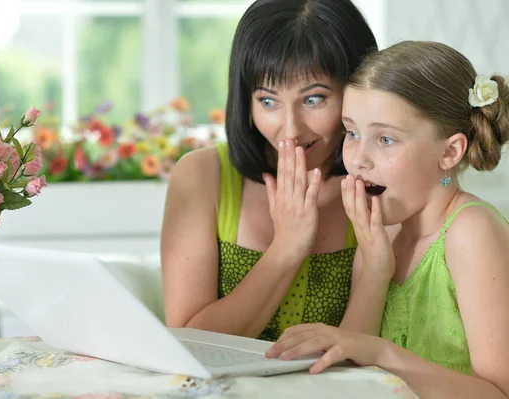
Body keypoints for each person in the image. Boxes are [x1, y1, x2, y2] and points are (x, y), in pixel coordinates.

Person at [266, 41, 509, 398]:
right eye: (352, 133)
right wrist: (375, 268)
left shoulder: (471, 233)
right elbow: (351, 372)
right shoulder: (380, 230)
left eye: (385, 139)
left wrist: (382, 355)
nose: (358, 158)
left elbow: (499, 392)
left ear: (450, 151)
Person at [160, 0, 377, 341]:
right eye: (268, 101)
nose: (290, 130)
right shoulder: (201, 176)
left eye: (313, 99)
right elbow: (189, 342)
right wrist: (287, 247)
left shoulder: (377, 184)